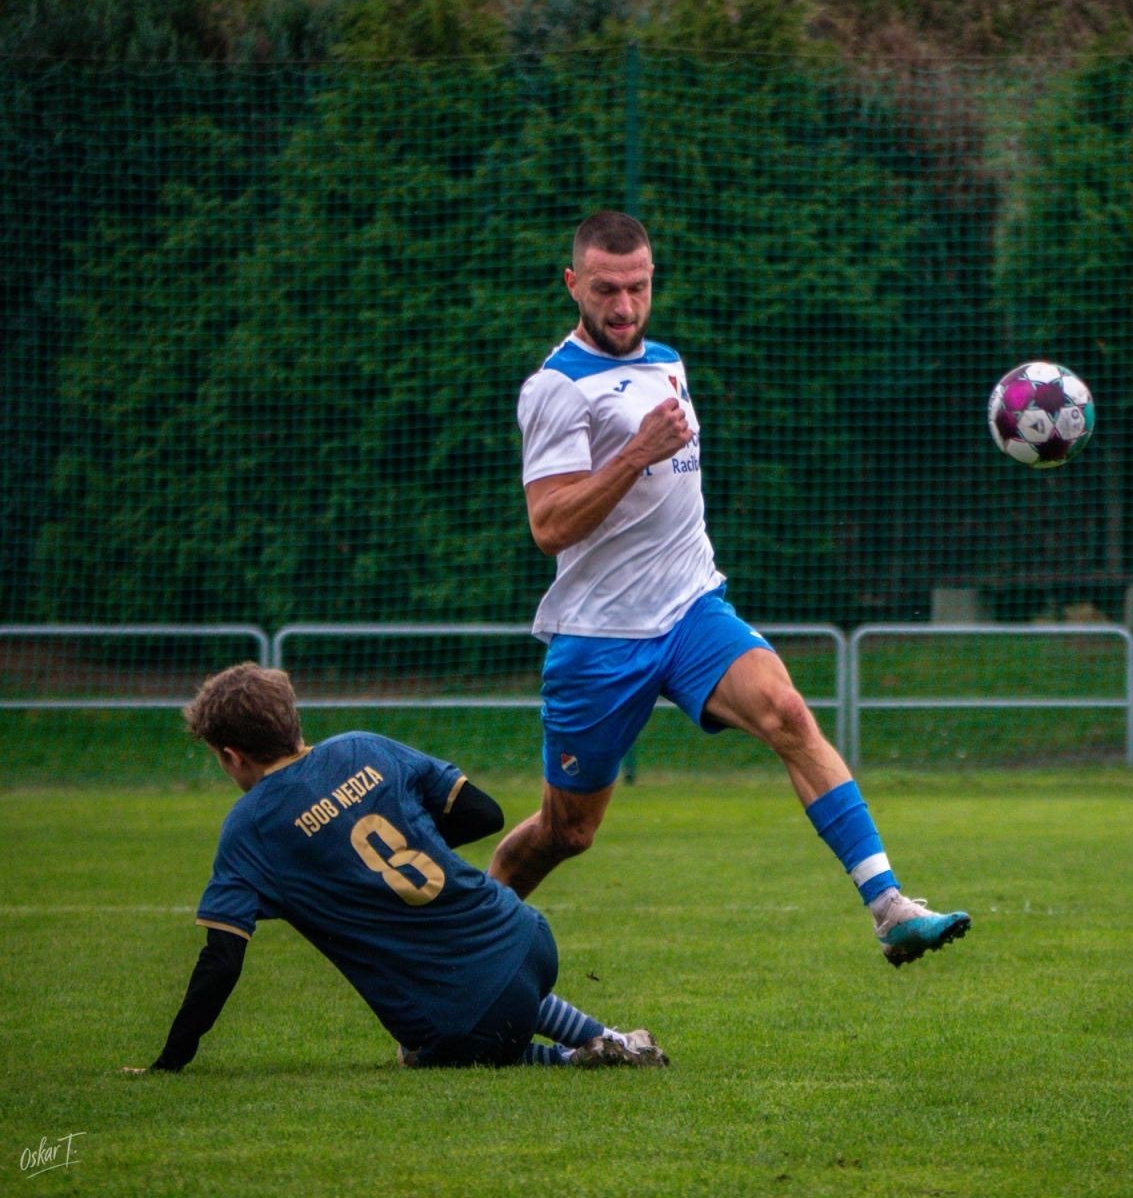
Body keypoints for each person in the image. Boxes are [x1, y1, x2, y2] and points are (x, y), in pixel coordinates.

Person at [492, 210, 970, 967]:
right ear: (573, 284)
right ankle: (465, 930)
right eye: (607, 290)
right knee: (567, 833)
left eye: (639, 287)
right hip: (600, 638)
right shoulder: (555, 389)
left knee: (786, 711)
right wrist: (636, 454)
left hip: (690, 608)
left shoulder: (670, 361)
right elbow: (550, 527)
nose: (624, 307)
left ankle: (889, 907)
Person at [129, 663, 666, 1073]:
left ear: (231, 756)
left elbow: (221, 963)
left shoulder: (249, 828)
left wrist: (170, 1062)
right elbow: (484, 813)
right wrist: (417, 838)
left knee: (430, 1047)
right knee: (495, 989)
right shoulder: (364, 747)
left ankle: (572, 1061)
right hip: (528, 938)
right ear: (292, 718)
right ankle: (612, 1040)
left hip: (462, 1014)